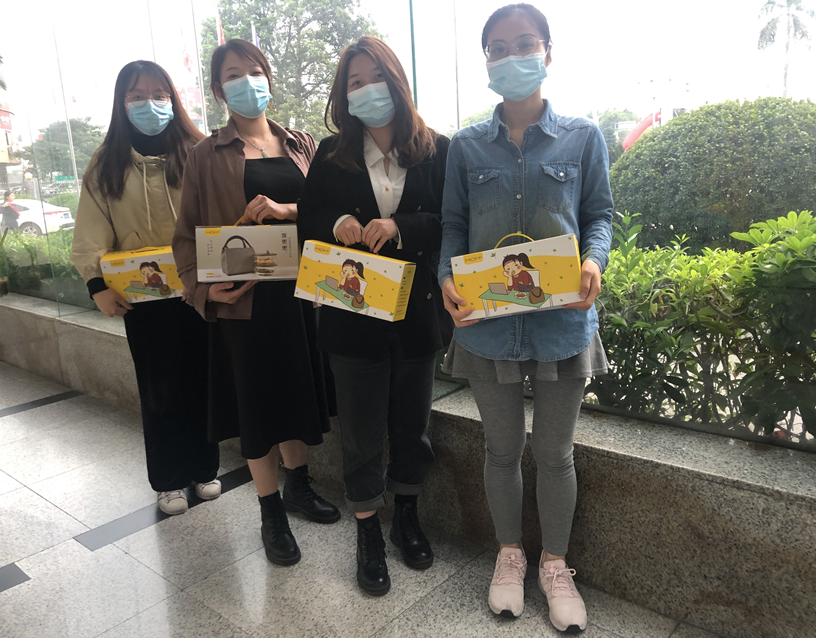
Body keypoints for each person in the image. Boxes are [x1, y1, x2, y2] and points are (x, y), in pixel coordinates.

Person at [439, 4, 613, 633]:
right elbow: (453, 225)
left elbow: (599, 214)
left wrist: (593, 261)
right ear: (485, 59)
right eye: (498, 47)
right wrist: (445, 278)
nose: (512, 56)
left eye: (525, 43)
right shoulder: (465, 145)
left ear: (547, 52)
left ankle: (555, 566)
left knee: (556, 454)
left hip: (561, 325)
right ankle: (510, 556)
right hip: (488, 327)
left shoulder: (583, 137)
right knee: (502, 450)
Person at [172, 39, 339, 568]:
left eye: (255, 70)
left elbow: (324, 213)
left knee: (296, 397)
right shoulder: (205, 154)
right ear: (219, 89)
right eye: (233, 75)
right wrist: (202, 289)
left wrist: (287, 209)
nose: (247, 82)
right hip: (243, 302)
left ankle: (299, 486)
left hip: (300, 296)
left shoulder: (301, 143)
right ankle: (270, 512)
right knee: (257, 405)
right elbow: (185, 236)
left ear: (269, 77)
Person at [298, 36, 452, 596]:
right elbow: (307, 219)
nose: (366, 89)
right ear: (344, 95)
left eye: (375, 77)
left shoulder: (438, 149)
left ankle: (407, 516)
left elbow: (452, 224)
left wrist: (401, 228)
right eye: (354, 82)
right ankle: (367, 532)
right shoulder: (330, 153)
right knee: (361, 434)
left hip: (417, 317)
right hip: (353, 316)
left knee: (411, 427)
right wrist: (336, 222)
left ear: (397, 80)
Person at [71, 60, 221, 516]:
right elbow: (91, 231)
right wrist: (97, 285)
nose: (149, 104)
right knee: (159, 389)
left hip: (198, 291)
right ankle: (169, 479)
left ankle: (204, 468)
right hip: (143, 300)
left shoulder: (198, 151)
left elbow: (219, 215)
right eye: (137, 96)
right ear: (122, 103)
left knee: (203, 383)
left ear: (173, 100)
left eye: (159, 95)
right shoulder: (106, 163)